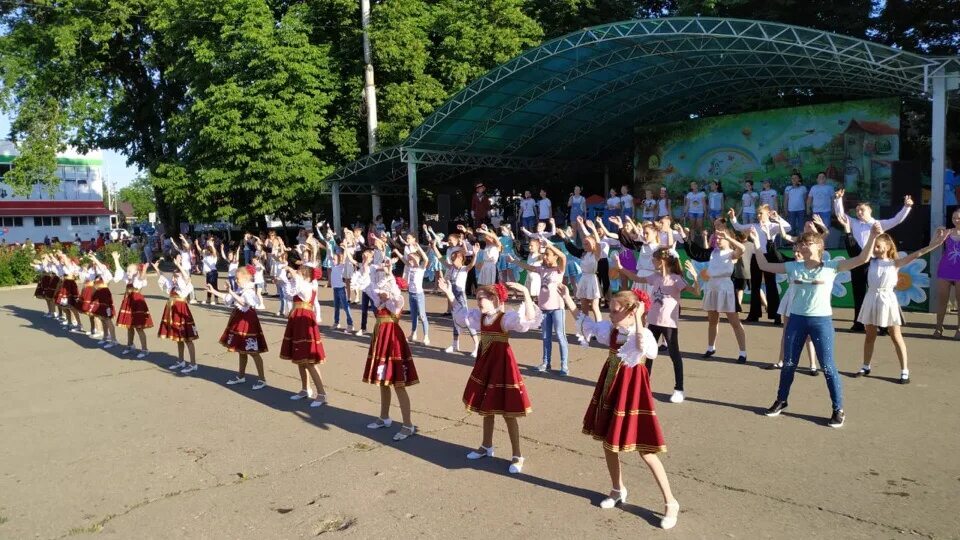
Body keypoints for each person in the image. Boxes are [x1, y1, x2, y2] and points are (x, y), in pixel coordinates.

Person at [560, 287, 679, 530]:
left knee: (646, 450)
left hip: (633, 394)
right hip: (611, 387)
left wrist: (638, 317)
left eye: (615, 311)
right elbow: (588, 326)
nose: (610, 315)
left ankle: (670, 502)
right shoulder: (612, 330)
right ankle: (617, 489)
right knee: (608, 441)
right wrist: (567, 300)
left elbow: (645, 348)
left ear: (631, 311)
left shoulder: (642, 333)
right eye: (610, 310)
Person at [753, 223, 882, 428]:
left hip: (821, 321)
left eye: (809, 244)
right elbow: (764, 266)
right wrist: (756, 244)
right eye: (802, 244)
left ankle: (838, 409)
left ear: (820, 247)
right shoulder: (793, 267)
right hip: (796, 320)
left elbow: (862, 259)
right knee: (788, 364)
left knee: (828, 367)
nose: (803, 247)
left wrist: (873, 237)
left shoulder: (831, 267)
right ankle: (781, 400)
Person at [441, 279, 541, 474]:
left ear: (494, 299)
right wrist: (448, 293)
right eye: (477, 298)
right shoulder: (480, 316)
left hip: (502, 366)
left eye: (482, 298)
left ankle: (517, 455)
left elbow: (527, 321)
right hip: (485, 364)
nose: (478, 302)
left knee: (508, 412)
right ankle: (486, 446)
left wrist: (526, 293)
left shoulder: (505, 318)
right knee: (486, 408)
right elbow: (461, 314)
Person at [855, 229, 947, 383]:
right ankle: (866, 366)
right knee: (869, 335)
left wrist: (934, 244)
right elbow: (859, 250)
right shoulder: (869, 261)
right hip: (871, 298)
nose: (874, 249)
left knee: (896, 336)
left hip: (888, 300)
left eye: (878, 246)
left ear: (887, 247)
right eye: (873, 246)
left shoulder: (895, 263)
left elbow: (918, 254)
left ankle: (904, 370)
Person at [613, 249, 700, 403]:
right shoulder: (655, 277)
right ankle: (643, 387)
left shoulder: (676, 279)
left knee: (674, 355)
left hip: (669, 324)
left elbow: (696, 292)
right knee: (647, 354)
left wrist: (695, 277)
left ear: (662, 261)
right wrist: (620, 268)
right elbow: (636, 277)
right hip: (652, 321)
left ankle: (679, 389)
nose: (652, 262)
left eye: (654, 259)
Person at [833, 189, 913, 332]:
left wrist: (907, 207)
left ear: (870, 210)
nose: (859, 212)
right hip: (858, 261)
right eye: (857, 210)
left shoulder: (878, 224)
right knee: (858, 293)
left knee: (877, 294)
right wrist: (838, 200)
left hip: (875, 262)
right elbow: (840, 215)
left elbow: (897, 219)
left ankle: (882, 325)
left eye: (862, 210)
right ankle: (858, 323)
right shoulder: (854, 223)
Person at [363, 268, 418, 442]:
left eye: (387, 287)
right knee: (382, 381)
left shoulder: (397, 300)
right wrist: (368, 267)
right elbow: (369, 286)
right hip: (380, 339)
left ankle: (408, 425)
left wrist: (389, 278)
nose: (383, 292)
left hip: (393, 340)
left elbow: (394, 298)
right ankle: (384, 417)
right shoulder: (379, 298)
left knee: (398, 384)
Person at [683, 223, 749, 363]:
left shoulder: (731, 253)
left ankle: (743, 352)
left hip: (726, 288)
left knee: (734, 322)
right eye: (717, 237)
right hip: (712, 287)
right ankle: (710, 347)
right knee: (713, 321)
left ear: (728, 238)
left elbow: (742, 248)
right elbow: (694, 251)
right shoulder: (712, 252)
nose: (717, 240)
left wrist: (729, 238)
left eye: (721, 237)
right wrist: (685, 237)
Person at [511, 243, 569, 375]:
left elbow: (563, 257)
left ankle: (564, 365)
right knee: (545, 336)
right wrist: (514, 261)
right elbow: (529, 267)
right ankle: (545, 362)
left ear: (555, 257)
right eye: (544, 255)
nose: (545, 257)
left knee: (560, 336)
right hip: (544, 309)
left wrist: (549, 245)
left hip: (557, 308)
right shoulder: (542, 269)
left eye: (547, 255)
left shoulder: (559, 269)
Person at [208, 265, 268, 389]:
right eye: (235, 278)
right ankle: (241, 376)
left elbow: (244, 303)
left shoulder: (249, 291)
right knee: (241, 350)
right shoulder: (240, 289)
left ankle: (262, 379)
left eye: (238, 278)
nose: (236, 281)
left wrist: (230, 292)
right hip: (239, 319)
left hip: (248, 322)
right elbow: (229, 298)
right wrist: (213, 291)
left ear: (246, 278)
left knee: (253, 352)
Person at [276, 265, 328, 406]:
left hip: (304, 320)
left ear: (305, 275)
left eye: (299, 271)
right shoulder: (299, 285)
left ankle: (322, 393)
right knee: (299, 358)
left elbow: (298, 286)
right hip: (297, 319)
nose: (295, 273)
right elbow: (289, 292)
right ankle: (305, 389)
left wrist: (292, 271)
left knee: (310, 361)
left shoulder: (307, 286)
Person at [730, 205, 790, 325]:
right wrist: (733, 218)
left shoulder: (773, 226)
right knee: (755, 286)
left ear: (768, 214)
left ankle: (776, 316)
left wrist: (778, 218)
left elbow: (788, 228)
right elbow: (738, 227)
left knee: (771, 285)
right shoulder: (754, 226)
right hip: (755, 256)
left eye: (761, 213)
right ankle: (754, 315)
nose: (758, 216)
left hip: (769, 256)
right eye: (757, 213)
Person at [151, 257, 199, 373]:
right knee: (178, 338)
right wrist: (157, 269)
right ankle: (181, 360)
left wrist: (179, 267)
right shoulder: (173, 286)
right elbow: (163, 280)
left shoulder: (185, 286)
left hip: (181, 311)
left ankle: (193, 364)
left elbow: (187, 279)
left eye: (176, 275)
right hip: (172, 311)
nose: (174, 277)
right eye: (173, 275)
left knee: (187, 338)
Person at [113, 252, 154, 359]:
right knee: (129, 326)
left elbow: (143, 277)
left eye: (130, 271)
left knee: (139, 327)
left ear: (136, 271)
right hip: (128, 302)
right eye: (128, 270)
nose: (128, 272)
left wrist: (144, 269)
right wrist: (116, 259)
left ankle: (145, 349)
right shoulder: (128, 278)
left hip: (137, 303)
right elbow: (120, 271)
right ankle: (130, 345)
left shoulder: (139, 278)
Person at [933, 208, 960, 338]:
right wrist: (937, 234)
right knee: (942, 300)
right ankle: (938, 328)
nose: (956, 220)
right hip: (945, 269)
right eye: (954, 218)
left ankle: (959, 329)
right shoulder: (947, 232)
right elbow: (932, 245)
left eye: (959, 218)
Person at [404, 243, 430, 345]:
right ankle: (413, 334)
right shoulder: (410, 268)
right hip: (411, 294)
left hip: (419, 295)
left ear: (417, 260)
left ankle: (426, 336)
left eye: (411, 259)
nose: (409, 260)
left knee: (422, 316)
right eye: (409, 259)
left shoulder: (421, 268)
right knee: (413, 315)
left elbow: (426, 259)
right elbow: (404, 260)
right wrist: (397, 252)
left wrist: (419, 247)